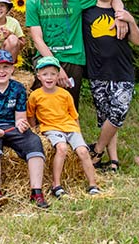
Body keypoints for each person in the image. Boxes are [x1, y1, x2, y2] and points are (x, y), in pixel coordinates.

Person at [25, 0, 127, 110]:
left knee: (69, 106)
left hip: (73, 58)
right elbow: (37, 39)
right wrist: (55, 67)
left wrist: (120, 15)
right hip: (46, 57)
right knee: (43, 105)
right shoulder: (33, 1)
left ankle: (71, 133)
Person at [82, 0, 139, 172]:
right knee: (106, 118)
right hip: (98, 73)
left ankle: (97, 151)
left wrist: (129, 20)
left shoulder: (122, 15)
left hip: (122, 72)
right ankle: (113, 161)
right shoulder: (86, 12)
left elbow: (137, 40)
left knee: (117, 114)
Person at [0, 50, 48, 208]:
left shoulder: (18, 88)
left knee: (34, 140)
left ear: (13, 69)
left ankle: (36, 191)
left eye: (6, 67)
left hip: (10, 127)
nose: (2, 71)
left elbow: (20, 117)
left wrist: (22, 124)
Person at [27, 56, 100, 197]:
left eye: (53, 74)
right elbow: (30, 115)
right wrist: (34, 130)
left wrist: (78, 133)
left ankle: (93, 184)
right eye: (45, 74)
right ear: (39, 76)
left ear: (58, 75)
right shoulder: (35, 95)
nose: (49, 77)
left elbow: (74, 115)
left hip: (70, 127)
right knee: (61, 148)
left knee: (83, 151)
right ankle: (56, 184)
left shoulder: (65, 94)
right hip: (51, 128)